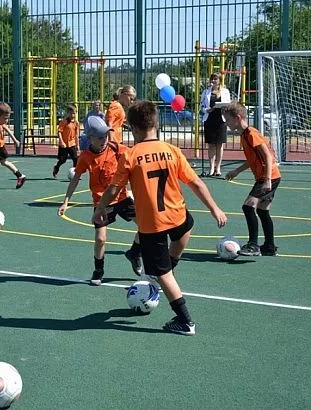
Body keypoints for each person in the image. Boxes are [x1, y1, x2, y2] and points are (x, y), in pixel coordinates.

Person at [93, 100, 227, 335]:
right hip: (177, 215)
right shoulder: (172, 150)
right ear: (156, 124)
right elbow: (196, 183)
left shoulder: (131, 155)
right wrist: (214, 208)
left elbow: (114, 189)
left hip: (152, 224)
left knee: (162, 273)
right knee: (187, 226)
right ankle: (167, 267)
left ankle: (184, 320)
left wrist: (100, 208)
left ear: (134, 129)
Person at [58, 116, 143, 286]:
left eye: (105, 136)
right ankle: (98, 270)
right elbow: (75, 179)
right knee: (100, 239)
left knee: (146, 226)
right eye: (99, 137)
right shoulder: (85, 157)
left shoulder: (116, 148)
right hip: (101, 203)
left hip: (122, 198)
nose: (104, 140)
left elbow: (135, 155)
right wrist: (66, 201)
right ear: (90, 138)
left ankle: (134, 253)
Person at [222, 101, 280, 256]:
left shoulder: (251, 134)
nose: (226, 123)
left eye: (228, 120)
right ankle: (269, 247)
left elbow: (268, 156)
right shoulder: (244, 135)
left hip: (269, 176)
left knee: (248, 206)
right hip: (269, 176)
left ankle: (253, 245)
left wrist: (267, 179)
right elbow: (252, 159)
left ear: (237, 118)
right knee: (262, 211)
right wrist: (236, 171)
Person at [200, 72, 231, 176]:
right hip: (209, 119)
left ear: (220, 81)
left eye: (215, 79)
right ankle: (211, 168)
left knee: (220, 144)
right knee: (211, 144)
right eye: (212, 79)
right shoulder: (206, 91)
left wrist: (225, 107)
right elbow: (201, 106)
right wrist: (207, 110)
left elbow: (229, 104)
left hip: (221, 120)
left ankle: (218, 168)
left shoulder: (225, 92)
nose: (213, 81)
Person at [52, 104, 79, 178]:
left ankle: (75, 173)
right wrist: (61, 142)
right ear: (68, 113)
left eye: (74, 113)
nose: (73, 115)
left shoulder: (76, 123)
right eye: (71, 113)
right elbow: (59, 132)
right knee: (63, 160)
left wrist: (77, 144)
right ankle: (56, 167)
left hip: (72, 143)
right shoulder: (64, 122)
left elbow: (76, 135)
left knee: (75, 159)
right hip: (64, 144)